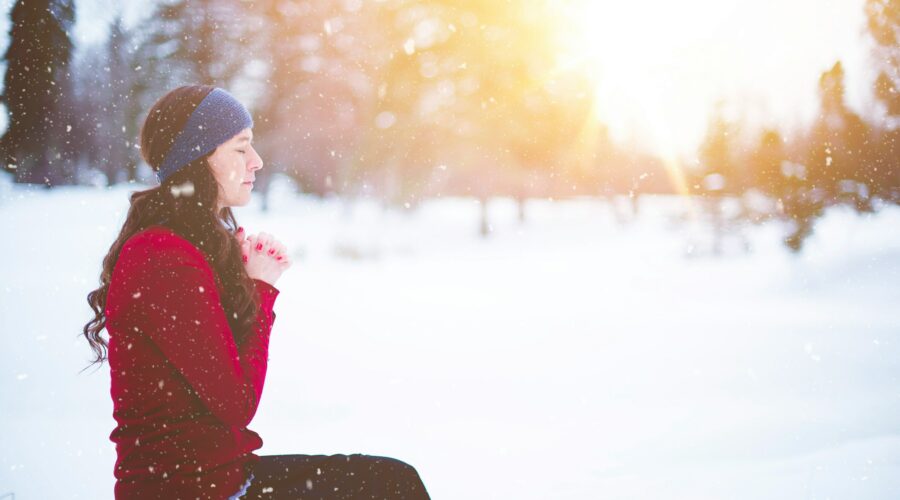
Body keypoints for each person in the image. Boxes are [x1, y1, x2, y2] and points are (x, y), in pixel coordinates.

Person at [82, 85, 431, 499]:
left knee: (392, 483)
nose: (257, 162)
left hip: (225, 478)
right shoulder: (163, 257)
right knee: (389, 488)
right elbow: (235, 402)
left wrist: (245, 283)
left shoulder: (186, 247)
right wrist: (261, 289)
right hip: (189, 490)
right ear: (199, 157)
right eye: (240, 148)